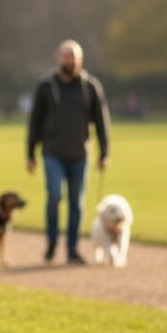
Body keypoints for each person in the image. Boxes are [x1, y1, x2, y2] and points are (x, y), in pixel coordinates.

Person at [26, 40, 111, 265]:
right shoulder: (46, 86)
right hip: (52, 151)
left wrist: (105, 152)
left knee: (77, 204)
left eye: (72, 56)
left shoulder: (90, 86)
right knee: (54, 196)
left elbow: (102, 122)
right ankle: (52, 244)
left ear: (80, 59)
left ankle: (72, 249)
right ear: (58, 58)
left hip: (80, 154)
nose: (69, 60)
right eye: (65, 56)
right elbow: (35, 121)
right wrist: (30, 153)